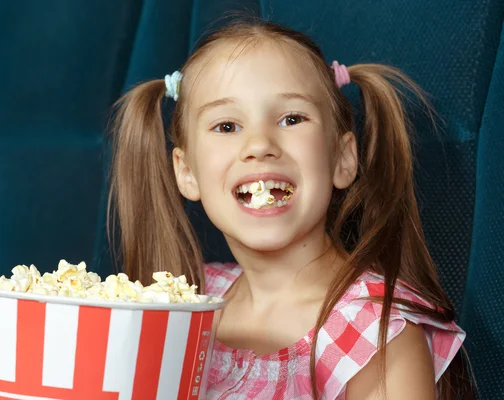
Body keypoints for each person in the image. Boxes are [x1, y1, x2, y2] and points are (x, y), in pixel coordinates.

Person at [108, 19, 473, 399]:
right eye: (227, 126)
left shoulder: (379, 334)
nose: (260, 144)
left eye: (291, 119)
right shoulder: (186, 301)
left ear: (342, 159)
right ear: (186, 173)